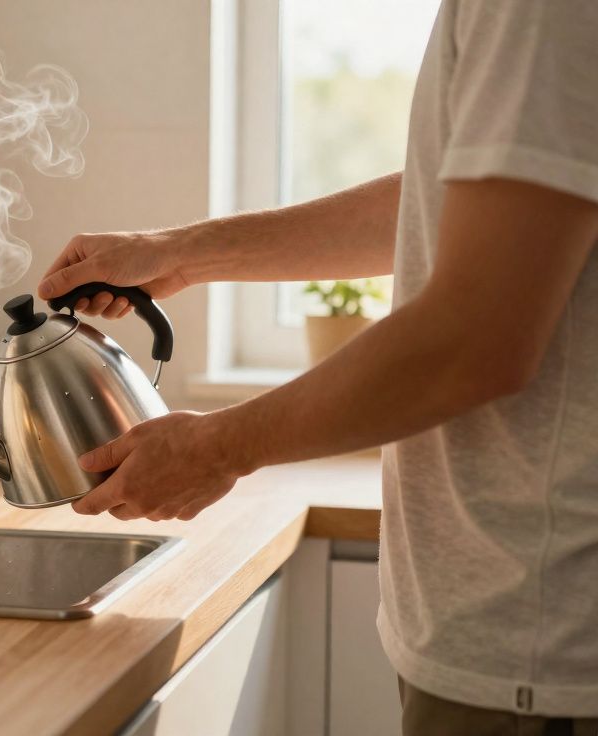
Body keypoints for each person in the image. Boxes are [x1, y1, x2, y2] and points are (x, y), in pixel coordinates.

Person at [37, 1, 598, 731]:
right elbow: (439, 200)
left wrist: (218, 447)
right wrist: (179, 251)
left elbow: (476, 337)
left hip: (542, 647)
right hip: (522, 630)